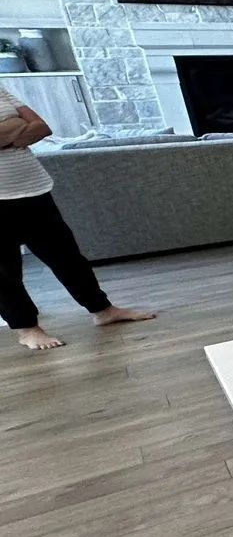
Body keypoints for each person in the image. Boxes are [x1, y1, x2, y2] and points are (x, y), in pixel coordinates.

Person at [0, 89, 155, 350]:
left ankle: (102, 310)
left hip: (34, 187)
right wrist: (17, 127)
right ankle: (27, 329)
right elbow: (26, 127)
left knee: (68, 257)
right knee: (4, 270)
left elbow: (41, 128)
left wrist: (10, 131)